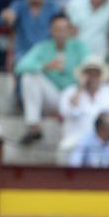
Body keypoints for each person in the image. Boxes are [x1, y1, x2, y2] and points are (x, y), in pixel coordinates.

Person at [15, 14, 90, 146]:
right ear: (50, 30)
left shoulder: (80, 47)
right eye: (57, 29)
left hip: (76, 96)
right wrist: (44, 66)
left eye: (64, 29)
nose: (61, 33)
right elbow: (20, 67)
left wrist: (79, 85)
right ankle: (33, 126)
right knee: (29, 76)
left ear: (70, 30)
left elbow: (91, 69)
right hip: (53, 97)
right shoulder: (43, 47)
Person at [58, 56, 109, 160]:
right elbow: (67, 111)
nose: (92, 77)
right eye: (89, 73)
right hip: (75, 143)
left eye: (96, 73)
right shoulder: (69, 92)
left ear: (101, 75)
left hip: (104, 144)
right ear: (83, 75)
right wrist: (80, 87)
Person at [4, 0, 61, 67]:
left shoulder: (52, 6)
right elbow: (7, 19)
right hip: (24, 52)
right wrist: (8, 17)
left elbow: (60, 25)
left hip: (47, 52)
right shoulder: (19, 4)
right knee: (22, 65)